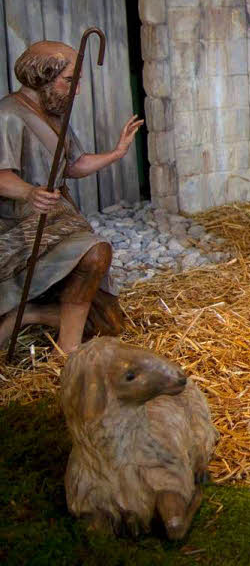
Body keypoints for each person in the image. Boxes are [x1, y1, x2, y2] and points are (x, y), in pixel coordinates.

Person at [0, 41, 143, 353]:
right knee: (95, 253)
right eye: (69, 81)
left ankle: (27, 316)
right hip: (19, 226)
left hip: (57, 217)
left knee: (109, 322)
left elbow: (74, 165)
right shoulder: (9, 115)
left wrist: (116, 153)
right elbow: (1, 176)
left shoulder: (54, 114)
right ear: (41, 77)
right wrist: (29, 192)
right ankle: (69, 353)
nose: (76, 91)